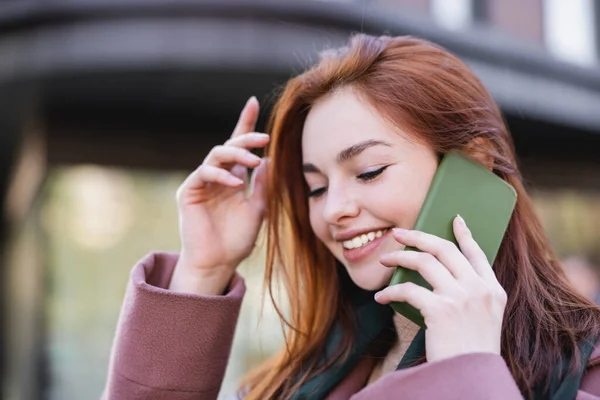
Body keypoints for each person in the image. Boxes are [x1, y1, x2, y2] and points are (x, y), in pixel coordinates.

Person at [103, 35, 600, 400]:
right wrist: (204, 270)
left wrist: (470, 369)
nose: (333, 209)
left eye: (367, 171)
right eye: (316, 187)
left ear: (472, 165)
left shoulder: (583, 371)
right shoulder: (309, 377)